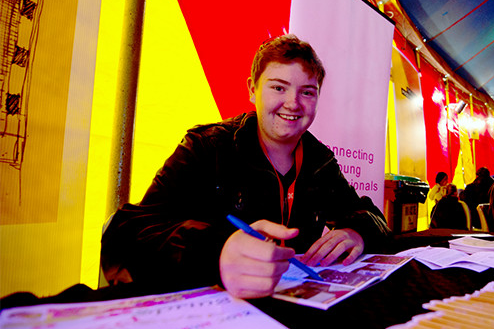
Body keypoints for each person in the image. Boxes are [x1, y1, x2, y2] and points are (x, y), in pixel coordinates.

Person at [100, 34, 390, 299]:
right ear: (253, 90)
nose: (293, 103)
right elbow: (127, 230)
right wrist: (217, 252)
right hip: (213, 308)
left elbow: (370, 214)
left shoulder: (320, 161)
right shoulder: (208, 146)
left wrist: (357, 231)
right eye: (279, 87)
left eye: (307, 92)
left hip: (290, 309)